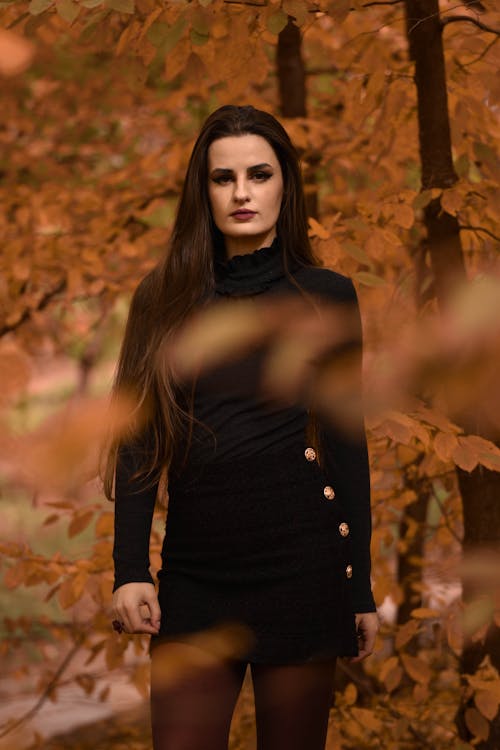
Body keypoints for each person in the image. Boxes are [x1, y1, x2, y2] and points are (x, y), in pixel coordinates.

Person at [105, 104, 379, 750]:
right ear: (203, 191)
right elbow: (138, 440)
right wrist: (128, 567)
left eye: (259, 174)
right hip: (197, 577)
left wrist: (359, 586)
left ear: (285, 183)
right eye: (223, 178)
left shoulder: (327, 296)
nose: (242, 192)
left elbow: (346, 445)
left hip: (303, 569)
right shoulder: (163, 298)